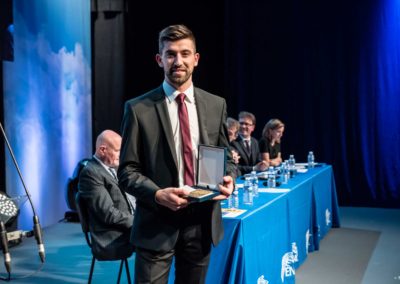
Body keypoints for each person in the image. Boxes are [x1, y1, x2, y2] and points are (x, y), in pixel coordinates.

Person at [118, 24, 235, 284]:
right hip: (156, 223)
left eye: (185, 53)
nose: (178, 61)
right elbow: (126, 171)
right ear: (160, 60)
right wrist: (158, 194)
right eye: (171, 54)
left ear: (196, 59)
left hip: (201, 221)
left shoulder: (217, 105)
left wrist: (229, 178)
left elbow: (225, 156)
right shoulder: (138, 109)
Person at [78, 130, 134, 260]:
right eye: (117, 150)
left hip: (128, 228)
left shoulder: (114, 168)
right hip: (114, 237)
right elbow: (108, 213)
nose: (121, 155)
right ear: (103, 150)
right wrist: (137, 221)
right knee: (161, 241)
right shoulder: (90, 173)